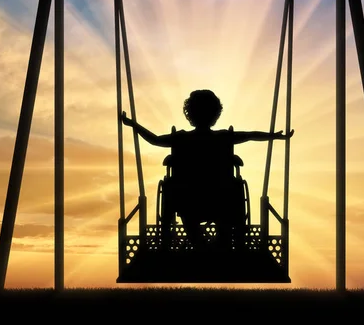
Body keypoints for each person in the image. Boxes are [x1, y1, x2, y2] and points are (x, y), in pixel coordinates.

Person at [121, 89, 294, 252]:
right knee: (225, 208)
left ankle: (204, 247)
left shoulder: (181, 138)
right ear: (215, 114)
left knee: (187, 211)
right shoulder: (224, 137)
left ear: (190, 114)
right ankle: (218, 246)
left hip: (189, 200)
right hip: (221, 199)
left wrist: (132, 124)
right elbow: (250, 135)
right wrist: (275, 136)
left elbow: (154, 140)